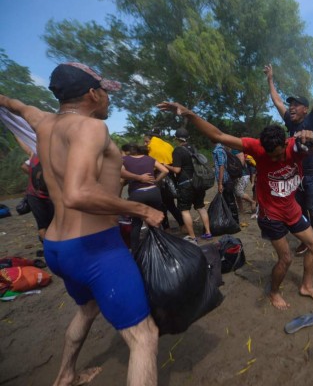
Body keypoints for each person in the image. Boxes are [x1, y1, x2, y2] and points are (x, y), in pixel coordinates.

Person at [0, 62, 164, 386]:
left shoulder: (42, 122)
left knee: (87, 309)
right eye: (105, 92)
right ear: (92, 93)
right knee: (144, 338)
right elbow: (78, 193)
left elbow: (10, 103)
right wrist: (140, 210)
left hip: (57, 249)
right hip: (95, 247)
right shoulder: (90, 128)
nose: (108, 99)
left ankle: (65, 376)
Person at [157, 101, 313, 310]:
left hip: (292, 210)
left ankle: (306, 286)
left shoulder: (296, 145)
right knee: (286, 259)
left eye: (280, 154)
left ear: (286, 143)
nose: (276, 159)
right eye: (271, 156)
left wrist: (312, 139)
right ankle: (273, 292)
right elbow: (218, 135)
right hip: (270, 215)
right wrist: (190, 114)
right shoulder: (256, 148)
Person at [263, 48, 313, 259]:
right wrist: (271, 79)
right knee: (299, 212)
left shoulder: (311, 120)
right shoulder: (289, 121)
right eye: (291, 105)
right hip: (297, 176)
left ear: (305, 109)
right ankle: (307, 241)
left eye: (296, 105)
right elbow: (277, 100)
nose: (292, 107)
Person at [165, 128, 212, 242]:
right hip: (198, 182)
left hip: (186, 184)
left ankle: (192, 236)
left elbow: (176, 170)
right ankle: (208, 232)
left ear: (176, 138)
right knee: (200, 207)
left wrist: (166, 166)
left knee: (185, 210)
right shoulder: (193, 148)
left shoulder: (178, 150)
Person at [122, 144, 169, 251]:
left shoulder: (124, 159)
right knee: (156, 220)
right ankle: (162, 246)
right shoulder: (149, 158)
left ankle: (134, 251)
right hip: (153, 192)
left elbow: (121, 173)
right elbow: (165, 170)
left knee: (136, 223)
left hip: (137, 194)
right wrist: (156, 180)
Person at [143, 132, 184, 231]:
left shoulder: (151, 147)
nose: (145, 144)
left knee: (161, 205)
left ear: (152, 140)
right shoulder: (168, 145)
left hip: (159, 178)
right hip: (170, 177)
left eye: (146, 141)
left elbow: (149, 165)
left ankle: (167, 228)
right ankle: (183, 225)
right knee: (170, 204)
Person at [213, 142, 240, 224]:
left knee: (230, 200)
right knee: (228, 200)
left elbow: (221, 166)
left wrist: (220, 183)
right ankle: (231, 220)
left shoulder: (218, 150)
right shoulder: (222, 149)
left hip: (225, 180)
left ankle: (234, 221)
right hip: (227, 179)